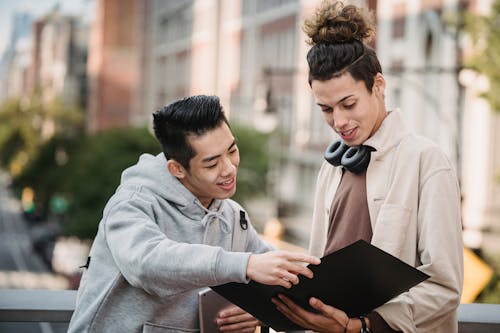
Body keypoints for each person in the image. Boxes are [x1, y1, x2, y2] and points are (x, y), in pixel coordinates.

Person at [272, 1, 463, 332]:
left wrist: (359, 326)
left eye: (348, 104)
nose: (339, 121)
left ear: (378, 85)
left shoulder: (426, 161)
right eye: (326, 109)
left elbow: (444, 288)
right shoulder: (332, 166)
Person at [67, 95, 320, 333]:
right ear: (177, 169)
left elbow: (279, 279)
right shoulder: (132, 204)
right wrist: (245, 265)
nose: (230, 169)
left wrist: (259, 310)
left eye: (232, 151)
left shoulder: (233, 216)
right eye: (212, 163)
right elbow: (145, 264)